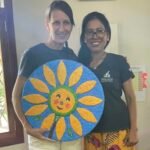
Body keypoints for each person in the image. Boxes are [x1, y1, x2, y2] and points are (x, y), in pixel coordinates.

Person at [12, 1, 82, 150]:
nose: (62, 28)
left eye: (66, 23)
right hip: (42, 134)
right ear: (47, 25)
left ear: (72, 26)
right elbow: (16, 95)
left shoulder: (72, 56)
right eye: (56, 22)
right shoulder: (32, 54)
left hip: (70, 133)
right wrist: (26, 126)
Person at [78, 12, 138, 150]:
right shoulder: (79, 66)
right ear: (84, 38)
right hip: (91, 133)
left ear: (107, 36)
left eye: (99, 31)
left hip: (119, 131)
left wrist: (133, 130)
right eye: (90, 32)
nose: (95, 35)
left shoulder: (119, 62)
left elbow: (130, 98)